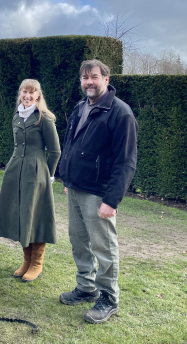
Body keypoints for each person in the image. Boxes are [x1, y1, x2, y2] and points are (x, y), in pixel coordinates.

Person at [59, 59, 138, 324]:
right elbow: (70, 144)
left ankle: (108, 298)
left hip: (99, 194)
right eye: (84, 77)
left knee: (103, 247)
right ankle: (86, 287)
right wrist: (67, 179)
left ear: (106, 78)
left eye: (93, 76)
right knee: (78, 241)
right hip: (76, 189)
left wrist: (111, 200)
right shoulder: (81, 107)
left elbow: (125, 161)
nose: (88, 82)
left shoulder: (120, 113)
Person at [0, 79, 61, 282]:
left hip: (36, 173)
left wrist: (47, 175)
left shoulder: (44, 118)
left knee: (36, 216)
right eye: (25, 91)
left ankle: (36, 263)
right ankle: (26, 260)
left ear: (38, 95)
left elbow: (55, 151)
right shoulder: (17, 116)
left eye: (32, 92)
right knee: (21, 214)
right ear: (20, 93)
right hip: (15, 173)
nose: (28, 95)